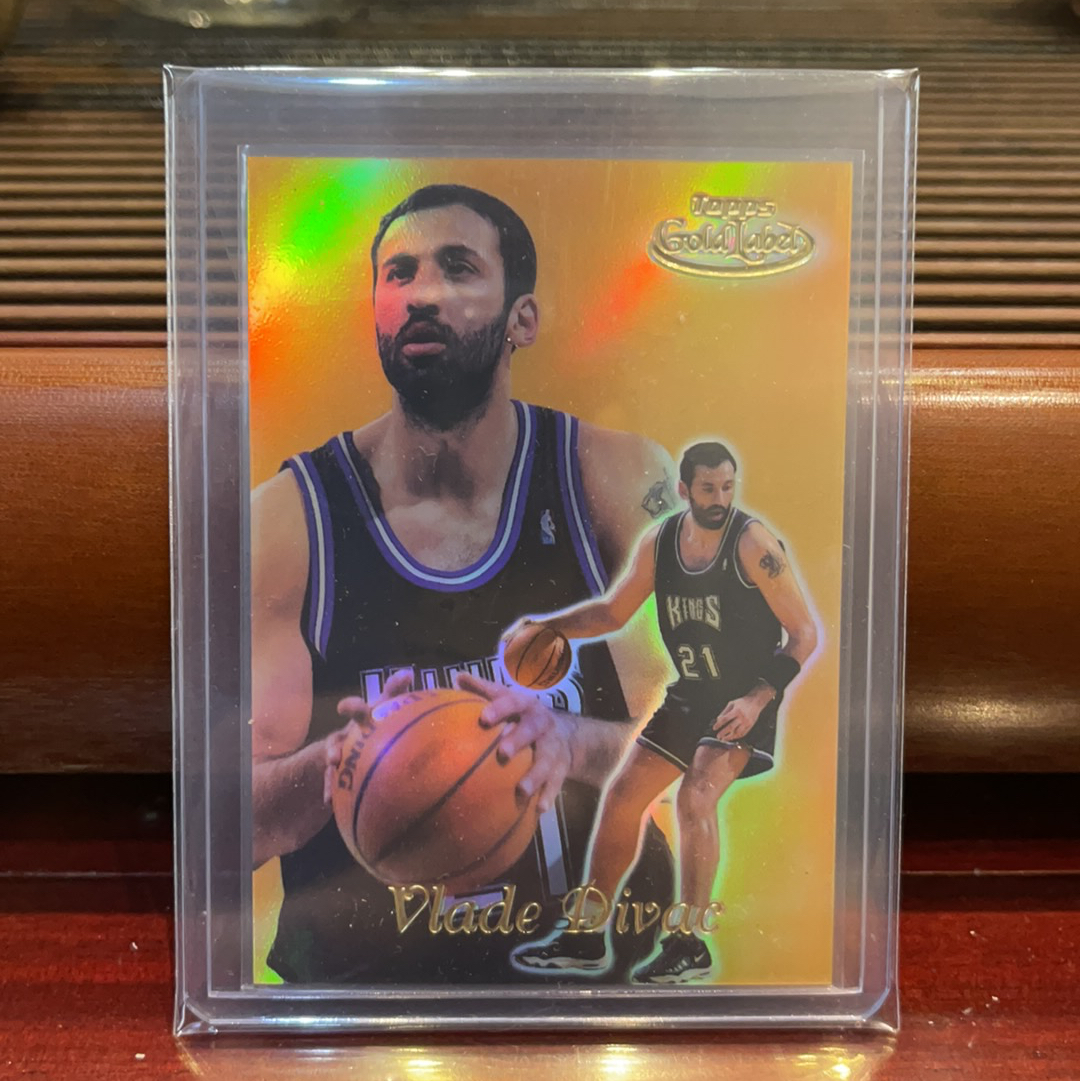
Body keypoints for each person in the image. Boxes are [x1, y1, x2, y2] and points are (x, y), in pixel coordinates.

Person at [250, 183, 678, 984]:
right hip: (362, 1003)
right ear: (375, 314)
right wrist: (338, 765)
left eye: (457, 267)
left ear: (523, 318)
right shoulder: (286, 520)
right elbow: (231, 830)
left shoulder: (614, 480)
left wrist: (567, 740)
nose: (422, 294)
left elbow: (701, 750)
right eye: (399, 273)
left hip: (594, 998)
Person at [509, 441, 820, 984]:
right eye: (708, 488)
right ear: (684, 489)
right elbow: (613, 613)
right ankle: (585, 936)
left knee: (697, 796)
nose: (720, 498)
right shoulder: (661, 542)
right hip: (691, 692)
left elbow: (803, 634)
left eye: (727, 487)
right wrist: (552, 627)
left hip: (746, 694)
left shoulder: (753, 544)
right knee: (623, 797)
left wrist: (757, 699)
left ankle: (689, 943)